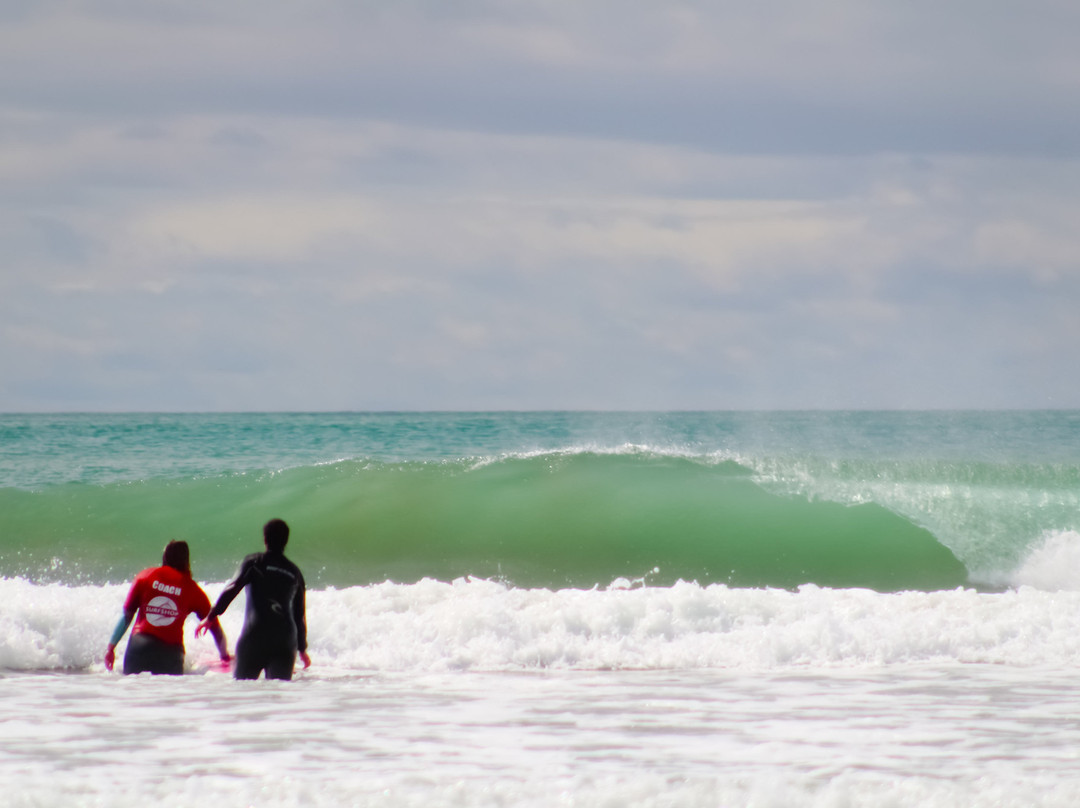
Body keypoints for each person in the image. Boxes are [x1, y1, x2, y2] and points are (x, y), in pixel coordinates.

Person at [197, 518, 310, 680]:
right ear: (286, 541)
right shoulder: (295, 573)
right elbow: (299, 615)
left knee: (243, 694)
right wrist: (302, 649)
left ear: (265, 539)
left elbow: (232, 589)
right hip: (284, 643)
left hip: (255, 638)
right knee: (278, 696)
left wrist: (210, 616)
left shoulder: (254, 562)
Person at [105, 539, 230, 675]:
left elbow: (126, 616)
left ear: (165, 558)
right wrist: (225, 656)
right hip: (170, 655)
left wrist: (111, 648)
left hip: (139, 650)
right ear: (186, 560)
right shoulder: (193, 589)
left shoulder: (145, 576)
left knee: (135, 693)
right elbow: (215, 628)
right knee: (167, 695)